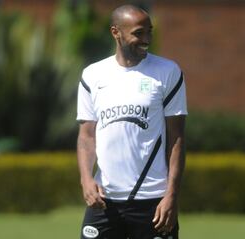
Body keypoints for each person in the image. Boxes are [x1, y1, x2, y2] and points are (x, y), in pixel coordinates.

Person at [76, 4, 187, 239]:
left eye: (150, 31)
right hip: (105, 200)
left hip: (153, 200)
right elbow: (87, 136)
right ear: (116, 32)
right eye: (138, 33)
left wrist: (171, 197)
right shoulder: (92, 75)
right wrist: (86, 179)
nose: (146, 39)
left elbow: (176, 138)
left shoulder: (168, 72)